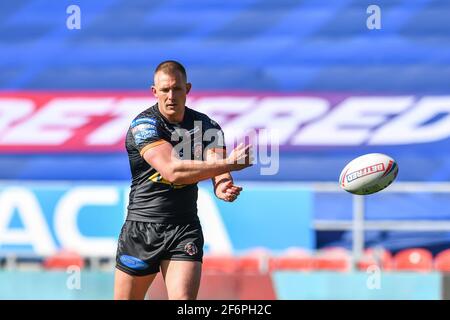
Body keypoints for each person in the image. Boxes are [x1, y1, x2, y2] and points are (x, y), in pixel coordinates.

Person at [114, 60, 252, 300]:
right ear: (154, 91)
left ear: (187, 89)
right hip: (142, 227)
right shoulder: (144, 125)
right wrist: (230, 164)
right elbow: (171, 171)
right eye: (165, 90)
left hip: (184, 228)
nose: (170, 96)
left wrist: (222, 185)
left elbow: (215, 166)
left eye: (176, 89)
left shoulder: (206, 126)